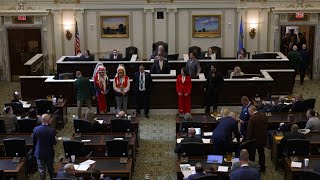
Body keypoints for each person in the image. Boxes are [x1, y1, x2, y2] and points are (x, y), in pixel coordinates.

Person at [33, 114, 57, 180]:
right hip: (49, 153)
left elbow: (34, 142)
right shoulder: (52, 130)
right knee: (50, 169)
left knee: (41, 171)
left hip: (39, 153)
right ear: (48, 120)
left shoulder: (36, 129)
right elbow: (54, 143)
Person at [246, 105, 268, 172]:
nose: (249, 113)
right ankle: (262, 167)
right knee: (262, 153)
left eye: (248, 112)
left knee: (252, 155)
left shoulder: (252, 119)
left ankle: (252, 169)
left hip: (254, 140)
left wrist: (247, 141)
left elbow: (249, 132)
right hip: (263, 139)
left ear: (251, 110)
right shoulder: (263, 116)